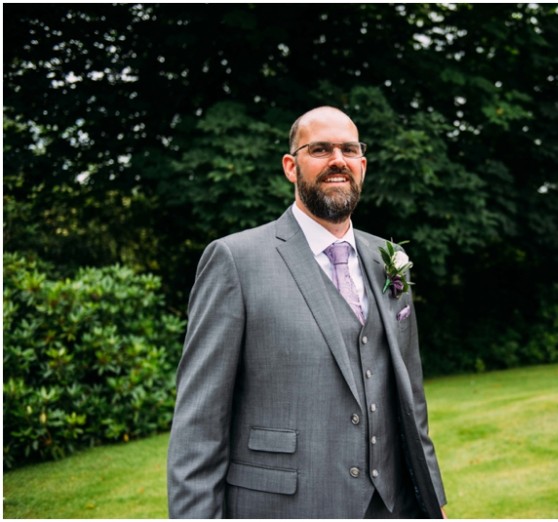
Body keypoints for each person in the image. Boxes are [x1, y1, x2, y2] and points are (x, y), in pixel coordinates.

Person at [167, 106, 447, 518]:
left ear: (362, 165)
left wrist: (432, 501)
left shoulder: (389, 259)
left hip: (391, 506)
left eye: (349, 150)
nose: (338, 160)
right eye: (320, 149)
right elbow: (199, 421)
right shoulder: (235, 260)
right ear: (290, 166)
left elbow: (411, 400)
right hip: (285, 505)